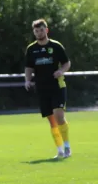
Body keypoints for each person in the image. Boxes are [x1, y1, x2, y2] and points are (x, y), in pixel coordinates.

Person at [24, 19, 72, 159]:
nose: (39, 33)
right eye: (36, 31)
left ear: (47, 30)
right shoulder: (31, 49)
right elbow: (28, 67)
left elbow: (66, 62)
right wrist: (27, 80)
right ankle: (59, 150)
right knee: (51, 121)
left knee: (59, 116)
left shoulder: (56, 46)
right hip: (42, 88)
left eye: (41, 30)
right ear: (34, 32)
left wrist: (61, 71)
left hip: (57, 86)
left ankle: (67, 146)